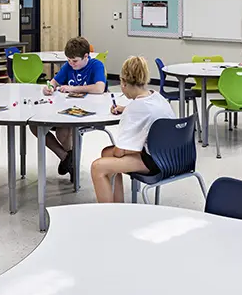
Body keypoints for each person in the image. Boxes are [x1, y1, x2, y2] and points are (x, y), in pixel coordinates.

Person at [91, 56, 174, 203]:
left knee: (98, 167)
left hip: (156, 162)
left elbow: (119, 150)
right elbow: (145, 111)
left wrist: (129, 111)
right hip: (174, 156)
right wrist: (127, 109)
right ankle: (117, 205)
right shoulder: (157, 97)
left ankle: (107, 214)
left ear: (123, 83)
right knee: (106, 153)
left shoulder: (134, 110)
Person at [41, 36, 106, 178]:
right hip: (64, 109)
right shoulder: (68, 65)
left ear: (86, 56)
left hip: (86, 111)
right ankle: (66, 157)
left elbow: (100, 88)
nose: (71, 63)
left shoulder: (96, 65)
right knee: (36, 127)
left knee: (62, 133)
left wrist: (73, 88)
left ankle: (69, 159)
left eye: (75, 61)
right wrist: (49, 88)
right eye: (69, 60)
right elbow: (54, 82)